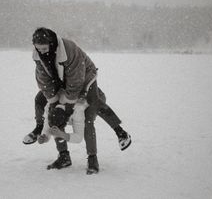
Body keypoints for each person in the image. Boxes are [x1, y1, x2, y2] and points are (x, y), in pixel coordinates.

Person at [23, 27, 131, 174]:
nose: (41, 51)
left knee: (92, 106)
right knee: (45, 106)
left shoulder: (68, 49)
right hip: (60, 81)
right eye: (38, 48)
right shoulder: (38, 55)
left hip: (85, 75)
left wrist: (68, 104)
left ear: (51, 43)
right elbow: (43, 80)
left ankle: (115, 137)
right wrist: (53, 103)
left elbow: (76, 79)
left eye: (44, 48)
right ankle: (62, 155)